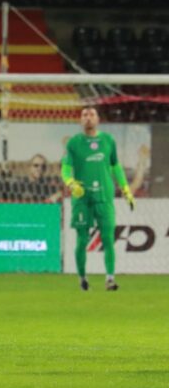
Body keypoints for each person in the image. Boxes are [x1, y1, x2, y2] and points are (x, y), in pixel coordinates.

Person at [62, 105, 135, 292]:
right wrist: (71, 183)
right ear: (80, 120)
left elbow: (116, 166)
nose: (88, 118)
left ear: (98, 119)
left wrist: (125, 188)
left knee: (109, 239)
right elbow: (66, 168)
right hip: (82, 198)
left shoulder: (108, 141)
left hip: (104, 196)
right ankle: (82, 279)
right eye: (84, 115)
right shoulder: (73, 143)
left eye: (92, 114)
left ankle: (110, 279)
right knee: (82, 239)